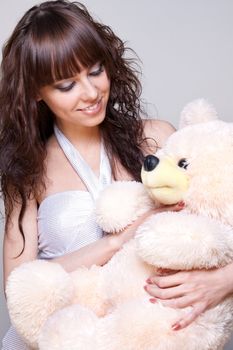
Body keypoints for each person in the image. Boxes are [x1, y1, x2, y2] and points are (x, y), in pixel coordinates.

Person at [0, 1, 231, 349]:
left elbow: (222, 217)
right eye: (67, 85)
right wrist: (117, 242)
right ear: (36, 92)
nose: (92, 93)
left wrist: (225, 280)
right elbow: (18, 284)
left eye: (95, 71)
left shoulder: (157, 138)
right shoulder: (28, 169)